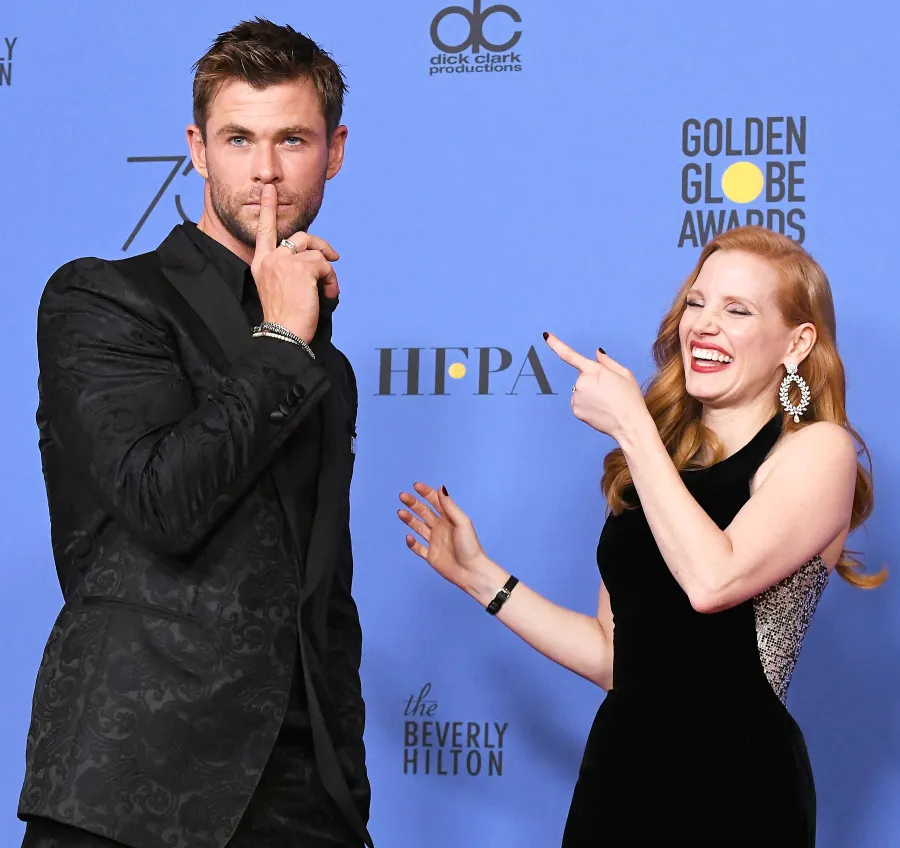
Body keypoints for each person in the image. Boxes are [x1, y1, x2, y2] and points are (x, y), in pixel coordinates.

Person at [397, 225, 885, 847]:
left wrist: (634, 427)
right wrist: (481, 576)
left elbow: (715, 580)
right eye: (697, 303)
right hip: (619, 778)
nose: (703, 324)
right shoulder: (658, 466)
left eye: (737, 310)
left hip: (737, 785)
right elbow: (612, 658)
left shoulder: (816, 450)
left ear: (797, 342)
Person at [19, 18, 372, 848]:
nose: (266, 172)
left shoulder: (331, 368)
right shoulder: (105, 300)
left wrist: (345, 782)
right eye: (238, 139)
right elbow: (165, 499)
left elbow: (325, 592)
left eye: (293, 139)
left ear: (335, 150)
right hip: (131, 783)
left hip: (302, 797)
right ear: (197, 149)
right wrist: (284, 340)